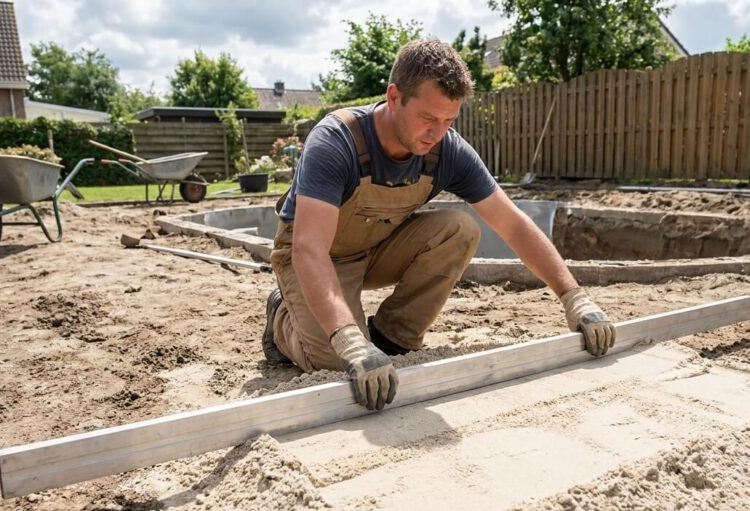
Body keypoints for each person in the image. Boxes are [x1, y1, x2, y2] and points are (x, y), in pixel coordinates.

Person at [262, 40, 615, 411]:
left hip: (376, 248)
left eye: (449, 121)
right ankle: (282, 318)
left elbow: (512, 224)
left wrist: (574, 298)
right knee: (336, 363)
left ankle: (390, 336)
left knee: (460, 228)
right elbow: (309, 249)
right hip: (316, 259)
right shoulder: (337, 142)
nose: (437, 133)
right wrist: (348, 340)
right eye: (428, 118)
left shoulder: (448, 151)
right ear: (394, 96)